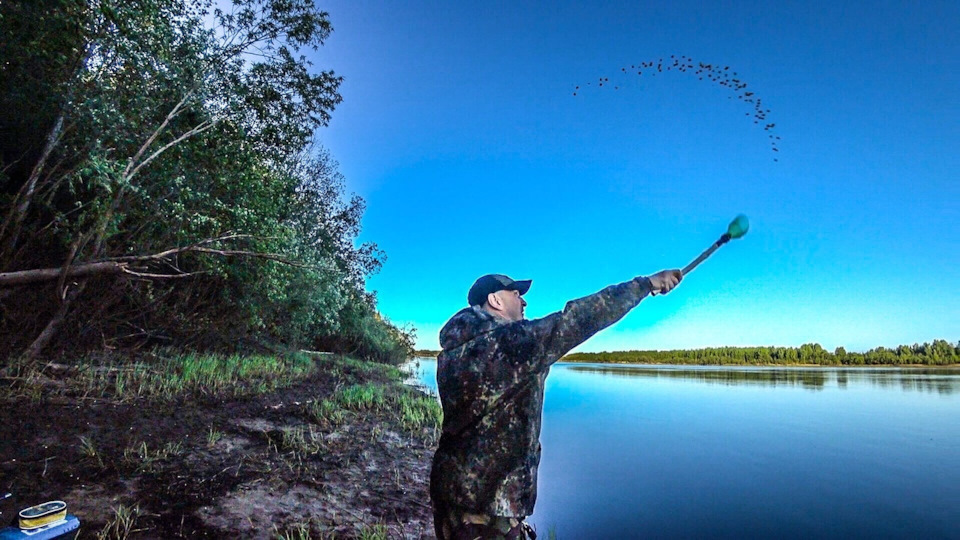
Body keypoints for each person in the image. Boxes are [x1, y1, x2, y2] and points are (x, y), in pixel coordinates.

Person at [430, 270, 682, 539]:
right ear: (495, 300)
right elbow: (577, 319)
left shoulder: (455, 352)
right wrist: (645, 285)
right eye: (516, 294)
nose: (524, 302)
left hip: (451, 493)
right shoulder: (509, 343)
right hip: (488, 506)